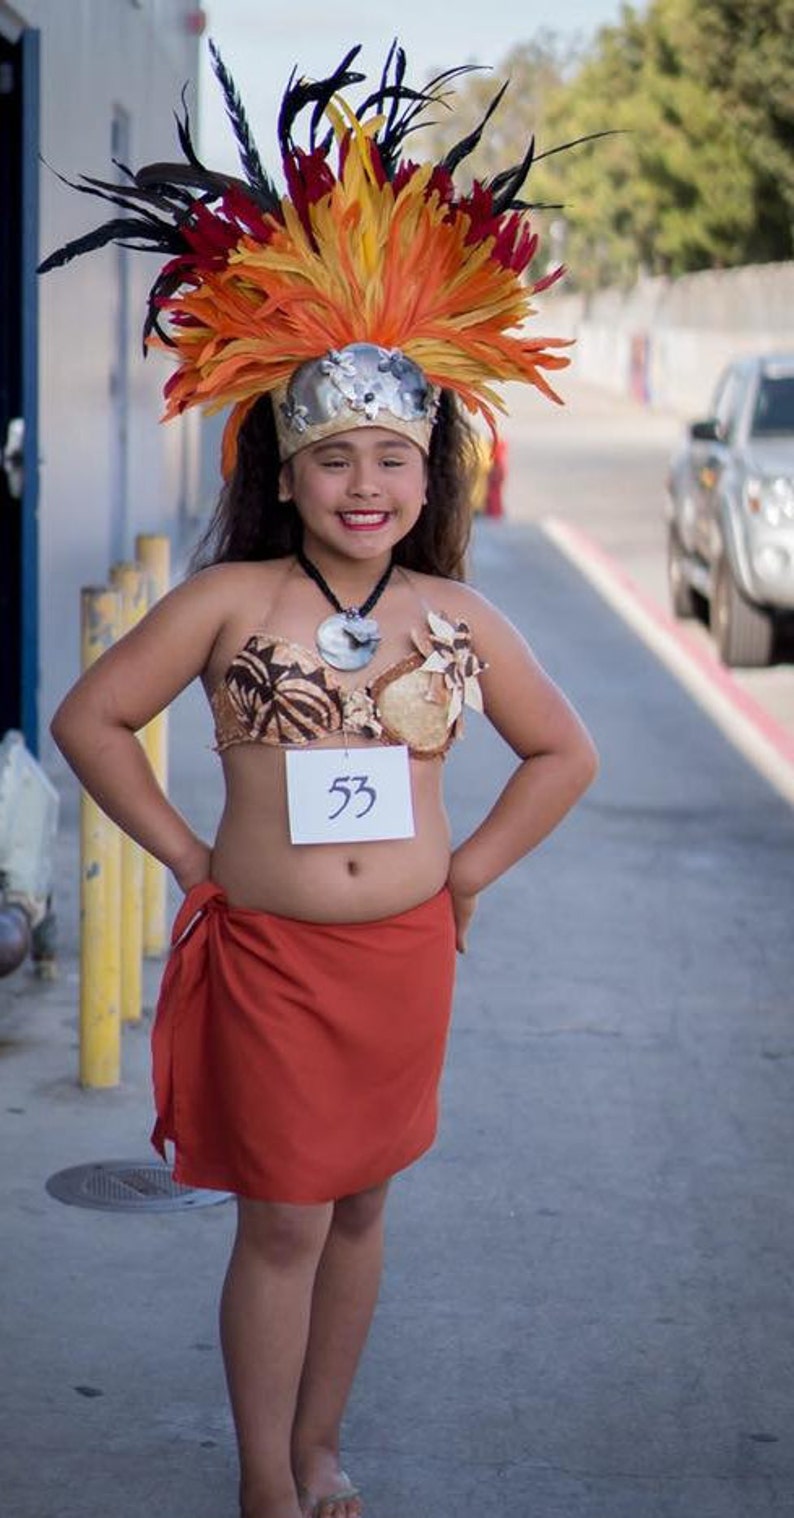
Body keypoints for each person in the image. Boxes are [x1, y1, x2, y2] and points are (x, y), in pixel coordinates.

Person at [43, 42, 598, 1518]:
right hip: (277, 958)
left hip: (404, 961)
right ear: (282, 473)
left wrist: (465, 872)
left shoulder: (457, 619)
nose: (365, 482)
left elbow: (563, 754)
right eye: (333, 456)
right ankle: (263, 1478)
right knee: (283, 1221)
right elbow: (91, 717)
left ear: (433, 479)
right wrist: (184, 853)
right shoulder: (231, 602)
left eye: (392, 459)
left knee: (361, 1209)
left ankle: (321, 1443)